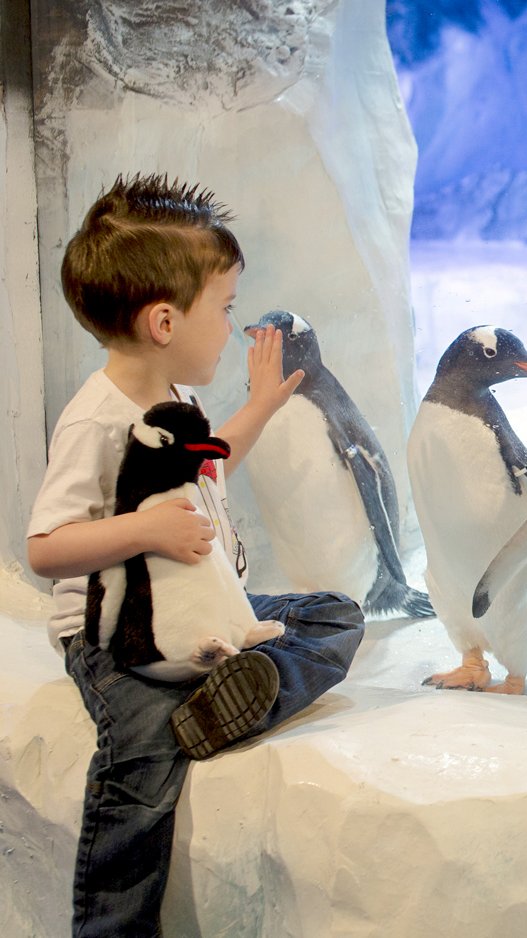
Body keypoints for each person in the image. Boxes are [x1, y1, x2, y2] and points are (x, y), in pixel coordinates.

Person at [25, 174, 366, 937]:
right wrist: (144, 533)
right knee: (140, 766)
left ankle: (233, 696)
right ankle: (114, 929)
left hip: (211, 612)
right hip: (123, 639)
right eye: (226, 308)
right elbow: (45, 550)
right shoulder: (98, 422)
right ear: (165, 320)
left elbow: (208, 466)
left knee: (335, 614)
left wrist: (262, 405)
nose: (231, 325)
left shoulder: (174, 392)